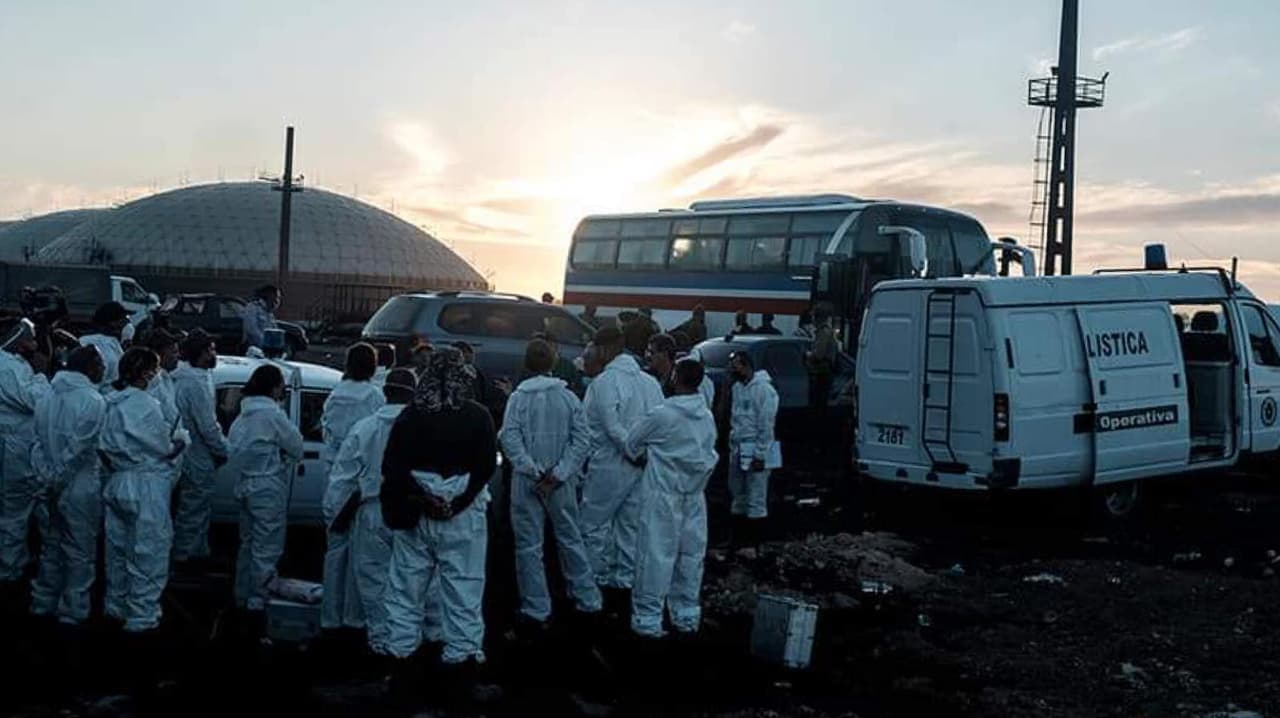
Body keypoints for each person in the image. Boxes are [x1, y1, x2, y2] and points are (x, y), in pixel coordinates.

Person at [379, 348, 497, 693]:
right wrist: (457, 502)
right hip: (463, 515)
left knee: (404, 591)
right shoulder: (478, 416)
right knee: (464, 591)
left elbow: (392, 466)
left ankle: (400, 665)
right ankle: (461, 669)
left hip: (417, 513)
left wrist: (424, 497)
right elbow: (486, 466)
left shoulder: (411, 416)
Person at [500, 339, 600, 629]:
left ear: (527, 363)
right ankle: (587, 597)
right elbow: (582, 439)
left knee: (529, 545)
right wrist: (559, 473)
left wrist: (533, 471)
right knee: (570, 537)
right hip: (561, 482)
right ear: (553, 362)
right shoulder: (568, 398)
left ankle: (536, 607)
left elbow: (510, 437)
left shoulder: (518, 398)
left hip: (527, 483)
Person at [624, 358, 719, 638]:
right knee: (690, 556)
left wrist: (645, 457)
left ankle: (647, 619)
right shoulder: (706, 415)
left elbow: (631, 444)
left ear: (675, 377)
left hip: (663, 494)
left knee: (654, 556)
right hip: (694, 496)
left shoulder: (662, 414)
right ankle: (686, 614)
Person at [326, 368, 417, 655]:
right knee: (410, 583)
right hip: (412, 514)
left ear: (385, 392)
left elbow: (342, 478)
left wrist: (334, 517)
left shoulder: (365, 428)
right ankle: (407, 644)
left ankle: (381, 645)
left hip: (373, 513)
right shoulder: (422, 429)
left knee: (373, 581)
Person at [101, 347, 188, 632]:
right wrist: (180, 441)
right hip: (146, 485)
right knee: (148, 552)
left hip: (117, 481)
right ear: (147, 372)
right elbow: (164, 448)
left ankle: (115, 607)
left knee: (117, 551)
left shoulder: (110, 402)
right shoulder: (147, 405)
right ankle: (142, 618)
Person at [579, 326, 664, 603]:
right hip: (642, 465)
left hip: (609, 463)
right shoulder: (650, 383)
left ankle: (592, 583)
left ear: (603, 350)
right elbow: (658, 422)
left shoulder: (603, 382)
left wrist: (630, 450)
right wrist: (643, 453)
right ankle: (623, 583)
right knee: (630, 525)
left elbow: (611, 425)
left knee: (594, 525)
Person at [30, 346, 107, 625]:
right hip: (79, 485)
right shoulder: (93, 400)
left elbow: (37, 443)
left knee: (51, 545)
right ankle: (73, 611)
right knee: (80, 551)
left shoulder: (47, 395)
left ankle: (42, 601)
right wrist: (58, 480)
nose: (104, 369)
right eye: (100, 364)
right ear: (89, 367)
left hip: (50, 481)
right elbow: (77, 449)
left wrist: (47, 479)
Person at [321, 343, 387, 632]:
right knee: (360, 559)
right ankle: (353, 619)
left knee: (335, 553)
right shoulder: (374, 396)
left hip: (335, 477)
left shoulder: (336, 394)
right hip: (360, 481)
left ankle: (331, 618)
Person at [229, 364, 304, 613]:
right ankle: (258, 601)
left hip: (244, 486)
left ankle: (241, 594)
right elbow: (296, 445)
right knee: (267, 548)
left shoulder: (243, 415)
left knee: (247, 545)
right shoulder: (272, 415)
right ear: (273, 387)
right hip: (267, 487)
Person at [0, 318, 51, 585]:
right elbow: (35, 401)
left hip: (19, 446)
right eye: (30, 337)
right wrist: (42, 374)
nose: (34, 343)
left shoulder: (15, 364)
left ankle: (16, 562)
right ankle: (9, 571)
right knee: (14, 513)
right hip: (14, 449)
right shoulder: (7, 366)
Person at [172, 331, 229, 563]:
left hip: (185, 451)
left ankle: (193, 552)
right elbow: (207, 425)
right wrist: (224, 450)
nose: (214, 354)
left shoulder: (183, 376)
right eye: (212, 349)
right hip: (197, 454)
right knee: (193, 512)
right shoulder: (195, 382)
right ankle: (186, 557)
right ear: (203, 353)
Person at [727, 351, 779, 547]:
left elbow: (766, 424)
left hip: (755, 447)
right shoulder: (738, 389)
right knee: (738, 493)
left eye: (736, 365)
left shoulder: (764, 390)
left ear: (746, 365)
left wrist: (760, 454)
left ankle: (755, 542)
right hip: (738, 446)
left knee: (756, 495)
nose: (733, 370)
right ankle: (739, 540)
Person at [645, 334, 714, 411]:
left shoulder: (685, 378)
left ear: (664, 354)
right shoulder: (648, 377)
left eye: (651, 352)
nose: (647, 356)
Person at [80, 301, 130, 391]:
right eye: (124, 320)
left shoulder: (113, 341)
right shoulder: (88, 341)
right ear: (112, 322)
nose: (127, 324)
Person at [807, 304, 838, 413]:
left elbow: (818, 355)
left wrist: (808, 354)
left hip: (822, 375)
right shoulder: (827, 332)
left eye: (813, 316)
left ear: (818, 317)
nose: (812, 319)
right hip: (824, 374)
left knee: (818, 407)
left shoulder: (823, 333)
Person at [241, 285, 281, 354]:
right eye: (276, 297)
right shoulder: (253, 308)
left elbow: (274, 331)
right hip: (252, 350)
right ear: (269, 296)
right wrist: (266, 343)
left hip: (267, 350)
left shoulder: (269, 313)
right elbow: (252, 330)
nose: (278, 301)